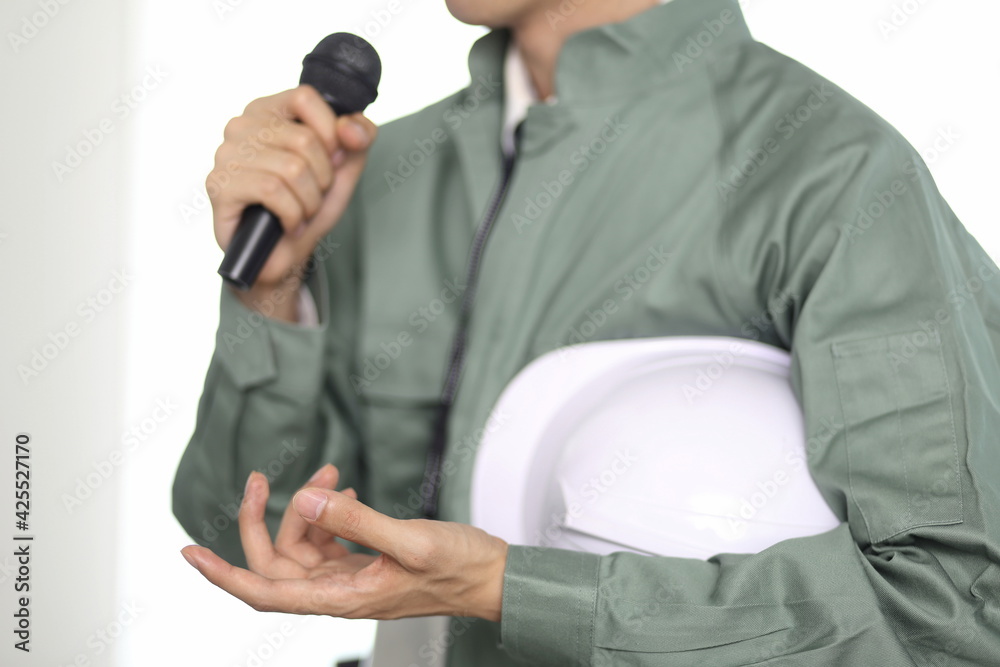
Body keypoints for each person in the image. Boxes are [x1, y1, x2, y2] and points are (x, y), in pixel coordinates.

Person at [172, 0, 1000, 664]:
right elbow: (245, 535)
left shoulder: (830, 175)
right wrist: (273, 295)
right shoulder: (386, 171)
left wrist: (514, 588)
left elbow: (954, 611)